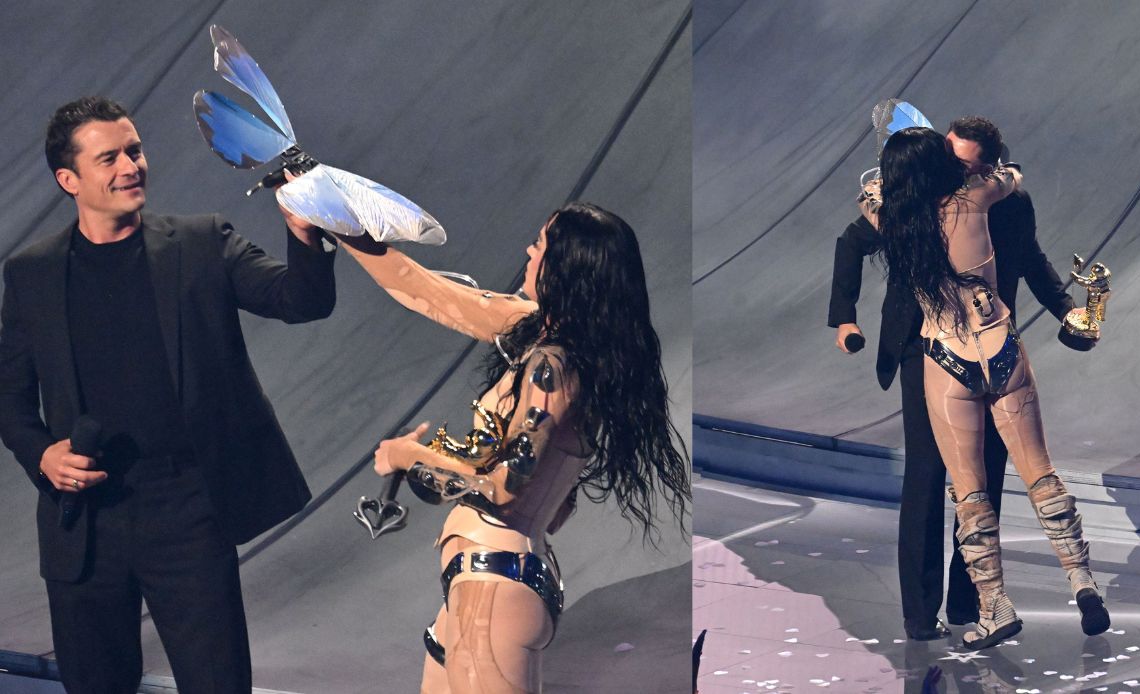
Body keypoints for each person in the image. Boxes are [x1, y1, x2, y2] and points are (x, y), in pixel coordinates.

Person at [0, 96, 335, 692]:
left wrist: (305, 236)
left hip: (188, 511)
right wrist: (43, 454)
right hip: (84, 520)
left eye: (134, 151)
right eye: (109, 158)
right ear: (69, 180)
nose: (131, 166)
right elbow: (9, 397)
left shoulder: (202, 243)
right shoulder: (32, 273)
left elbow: (301, 302)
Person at [332, 202, 689, 692]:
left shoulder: (554, 368)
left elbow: (503, 489)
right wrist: (334, 217)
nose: (529, 251)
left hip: (494, 589)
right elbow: (423, 290)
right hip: (482, 585)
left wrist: (409, 457)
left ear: (565, 265)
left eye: (540, 245)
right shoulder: (544, 334)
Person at [856, 126, 1108, 650]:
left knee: (969, 492)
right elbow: (1012, 176)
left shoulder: (894, 219)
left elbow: (869, 203)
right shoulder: (977, 198)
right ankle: (1082, 580)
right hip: (1002, 348)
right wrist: (997, 172)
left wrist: (880, 187)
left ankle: (994, 607)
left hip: (947, 359)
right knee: (1041, 473)